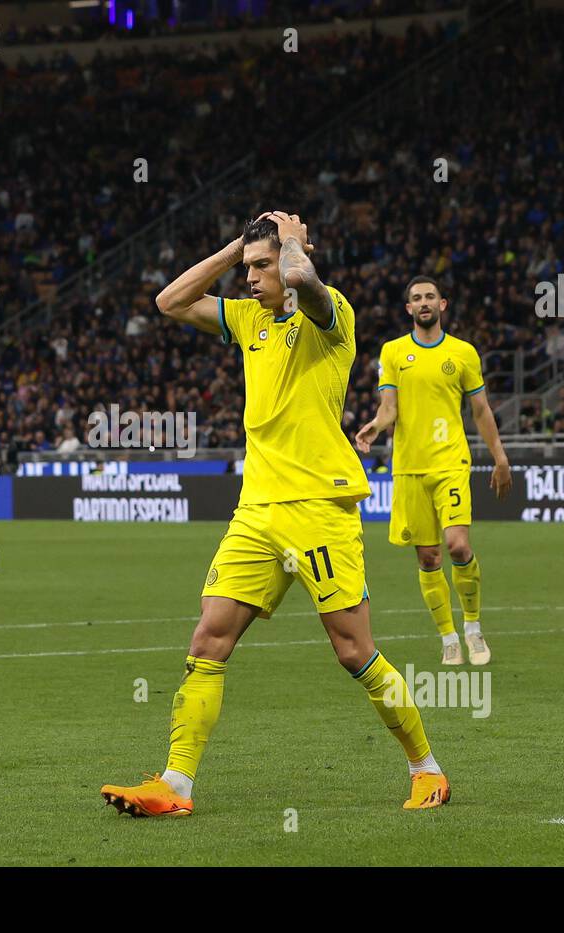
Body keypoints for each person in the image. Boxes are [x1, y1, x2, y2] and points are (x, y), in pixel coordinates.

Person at [101, 211, 448, 817]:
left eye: (262, 268)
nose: (252, 278)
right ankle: (174, 786)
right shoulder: (248, 319)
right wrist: (238, 246)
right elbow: (170, 301)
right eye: (248, 269)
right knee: (208, 640)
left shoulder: (329, 315)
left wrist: (290, 248)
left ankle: (427, 769)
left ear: (292, 256)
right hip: (257, 510)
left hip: (320, 507)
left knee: (352, 650)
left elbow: (308, 287)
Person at [355, 276, 512, 666]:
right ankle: (448, 638)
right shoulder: (392, 352)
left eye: (430, 296)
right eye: (416, 298)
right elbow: (389, 406)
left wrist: (500, 457)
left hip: (450, 461)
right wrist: (376, 424)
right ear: (408, 309)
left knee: (457, 545)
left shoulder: (463, 353)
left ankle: (473, 629)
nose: (424, 302)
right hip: (409, 467)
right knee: (428, 558)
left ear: (443, 304)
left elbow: (480, 410)